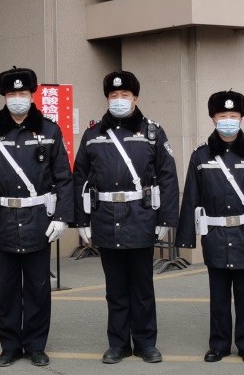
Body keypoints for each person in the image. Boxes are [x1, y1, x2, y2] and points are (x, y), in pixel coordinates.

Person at [0, 67, 73, 368]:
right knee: (6, 288)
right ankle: (10, 346)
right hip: (1, 221)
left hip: (39, 220)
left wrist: (62, 217)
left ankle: (36, 345)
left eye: (22, 93)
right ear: (4, 96)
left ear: (31, 95)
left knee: (38, 287)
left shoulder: (50, 130)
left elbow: (63, 177)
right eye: (12, 93)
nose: (17, 98)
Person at [72, 71, 179, 364]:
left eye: (125, 95)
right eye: (114, 96)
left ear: (135, 98)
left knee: (142, 287)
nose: (119, 100)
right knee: (116, 288)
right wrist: (81, 220)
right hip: (105, 218)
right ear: (107, 99)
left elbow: (168, 177)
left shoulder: (153, 132)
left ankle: (145, 343)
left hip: (141, 217)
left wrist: (166, 219)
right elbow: (79, 177)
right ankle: (118, 344)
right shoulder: (93, 135)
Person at [176, 90, 244, 365]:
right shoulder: (201, 156)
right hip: (215, 235)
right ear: (213, 118)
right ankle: (219, 344)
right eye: (222, 115)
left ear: (241, 117)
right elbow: (191, 197)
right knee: (219, 295)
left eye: (233, 115)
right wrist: (186, 238)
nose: (228, 120)